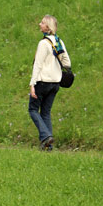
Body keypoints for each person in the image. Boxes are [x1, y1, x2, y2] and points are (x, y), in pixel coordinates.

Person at [29, 14, 70, 151]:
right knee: (45, 112)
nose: (39, 24)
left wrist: (32, 84)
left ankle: (46, 136)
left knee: (33, 109)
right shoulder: (59, 41)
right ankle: (48, 146)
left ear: (47, 26)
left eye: (42, 23)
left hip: (43, 82)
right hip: (55, 83)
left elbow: (38, 65)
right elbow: (67, 63)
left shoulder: (43, 43)